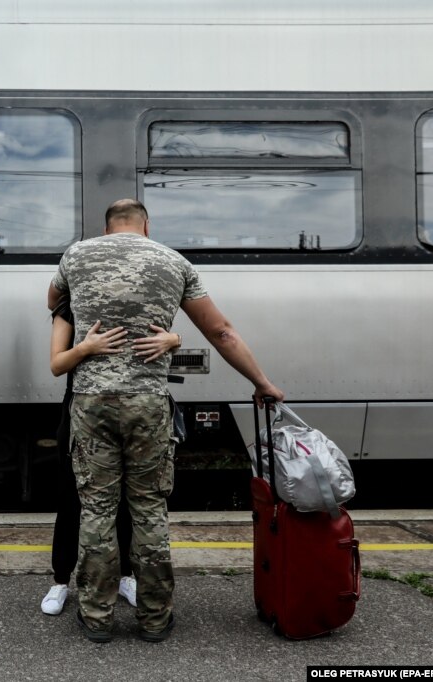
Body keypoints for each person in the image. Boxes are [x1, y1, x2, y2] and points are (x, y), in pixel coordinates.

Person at [48, 198, 284, 643]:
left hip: (91, 401)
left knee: (97, 510)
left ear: (107, 226)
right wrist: (261, 381)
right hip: (148, 402)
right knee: (149, 508)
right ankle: (155, 619)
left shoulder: (76, 254)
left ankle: (96, 618)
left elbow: (53, 300)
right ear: (146, 226)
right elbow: (222, 332)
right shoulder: (174, 261)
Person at [40, 296, 181, 616]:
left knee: (132, 498)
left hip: (134, 414)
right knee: (72, 497)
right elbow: (56, 364)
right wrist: (86, 348)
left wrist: (175, 339)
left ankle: (126, 577)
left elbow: (165, 338)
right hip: (81, 414)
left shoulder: (136, 302)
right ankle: (61, 580)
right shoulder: (71, 306)